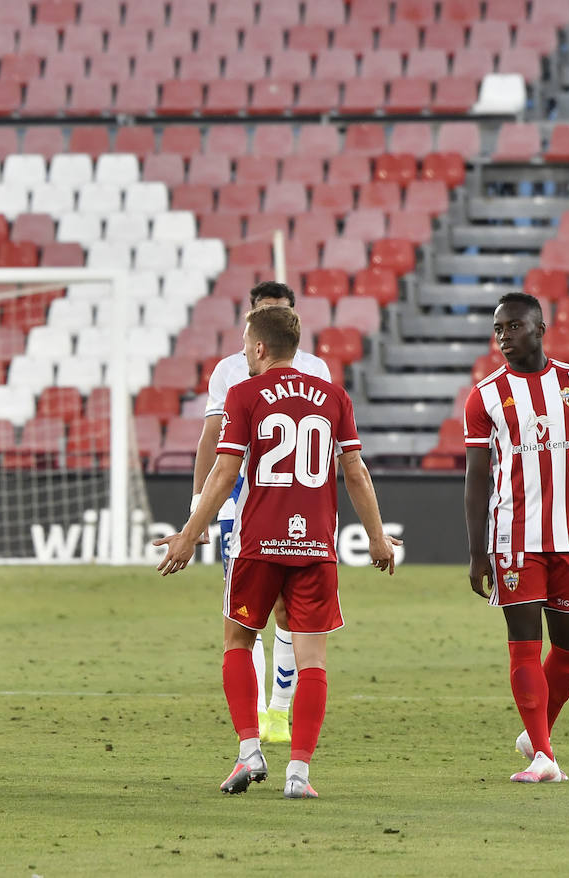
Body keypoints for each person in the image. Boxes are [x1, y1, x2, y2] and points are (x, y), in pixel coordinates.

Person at [156, 305, 399, 799]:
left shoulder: (243, 394)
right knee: (313, 660)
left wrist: (188, 533)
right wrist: (376, 536)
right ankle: (299, 774)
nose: (244, 351)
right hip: (314, 545)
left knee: (238, 642)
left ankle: (249, 753)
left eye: (247, 343)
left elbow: (224, 475)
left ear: (260, 347)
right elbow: (355, 471)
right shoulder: (333, 396)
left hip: (257, 544)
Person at [464, 292, 569, 784]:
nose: (504, 337)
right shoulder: (484, 395)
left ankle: (538, 735)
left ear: (540, 328)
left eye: (513, 327)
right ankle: (545, 759)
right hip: (513, 537)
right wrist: (476, 551)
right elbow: (475, 477)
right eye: (498, 329)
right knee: (524, 644)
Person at [191, 281, 332, 745]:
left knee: (290, 613)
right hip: (242, 500)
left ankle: (278, 710)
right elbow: (212, 440)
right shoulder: (229, 371)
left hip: (297, 501)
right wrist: (200, 506)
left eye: (282, 310)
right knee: (248, 612)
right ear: (250, 318)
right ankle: (254, 710)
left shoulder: (316, 368)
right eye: (265, 310)